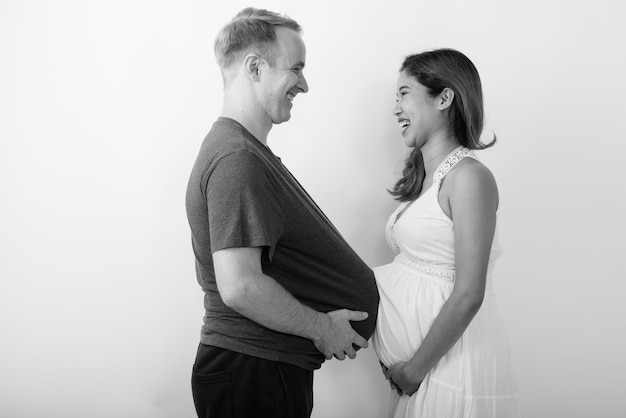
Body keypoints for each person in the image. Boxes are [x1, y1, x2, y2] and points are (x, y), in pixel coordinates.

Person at [185, 7, 379, 418]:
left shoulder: (247, 153)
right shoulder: (237, 158)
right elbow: (239, 285)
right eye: (296, 69)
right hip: (252, 372)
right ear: (255, 67)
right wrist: (324, 330)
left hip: (261, 370)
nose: (304, 85)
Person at [371, 49, 521, 417]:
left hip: (448, 369)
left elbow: (469, 293)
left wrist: (414, 369)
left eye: (404, 93)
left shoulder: (469, 178)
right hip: (424, 371)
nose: (396, 108)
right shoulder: (426, 181)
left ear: (444, 97)